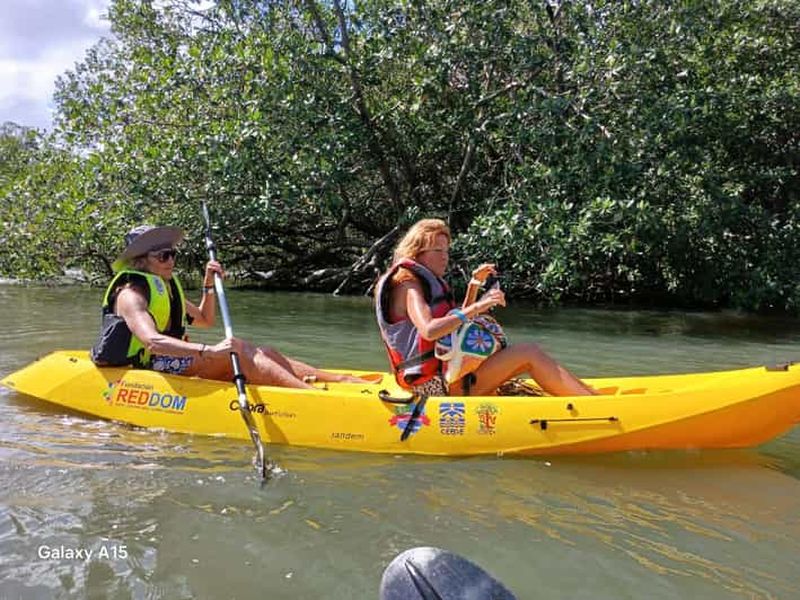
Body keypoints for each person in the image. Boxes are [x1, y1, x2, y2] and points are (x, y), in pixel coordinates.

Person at [91, 224, 368, 388]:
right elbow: (152, 342)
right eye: (164, 256)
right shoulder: (131, 294)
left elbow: (205, 320)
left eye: (173, 254)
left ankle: (337, 380)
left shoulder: (165, 287)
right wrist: (210, 351)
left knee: (262, 351)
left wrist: (208, 285)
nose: (171, 260)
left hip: (167, 360)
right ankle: (308, 397)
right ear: (141, 260)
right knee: (238, 352)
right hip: (150, 365)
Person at [375, 218, 596, 397]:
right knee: (529, 353)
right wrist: (479, 306)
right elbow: (430, 330)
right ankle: (593, 405)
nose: (445, 258)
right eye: (438, 251)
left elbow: (453, 327)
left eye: (447, 251)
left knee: (527, 354)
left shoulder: (420, 281)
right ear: (417, 251)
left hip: (446, 377)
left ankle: (589, 396)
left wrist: (474, 285)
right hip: (431, 386)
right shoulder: (408, 285)